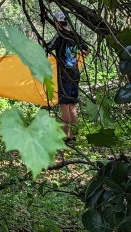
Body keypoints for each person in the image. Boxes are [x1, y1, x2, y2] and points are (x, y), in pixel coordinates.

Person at [46, 12, 89, 142]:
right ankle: (73, 135)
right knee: (72, 104)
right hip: (75, 73)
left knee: (64, 105)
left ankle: (65, 136)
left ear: (58, 23)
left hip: (64, 74)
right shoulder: (74, 35)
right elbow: (86, 50)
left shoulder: (59, 36)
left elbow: (47, 48)